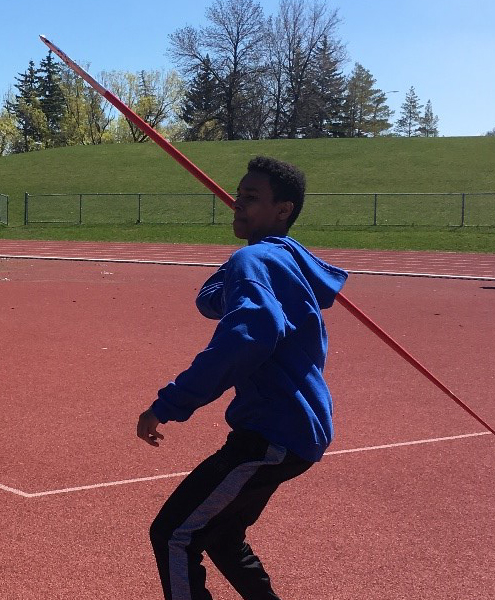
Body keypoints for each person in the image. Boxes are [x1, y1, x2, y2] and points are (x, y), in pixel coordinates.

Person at [137, 156, 348, 600]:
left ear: (283, 209)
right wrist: (238, 265)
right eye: (238, 195)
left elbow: (252, 332)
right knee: (222, 535)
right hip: (296, 430)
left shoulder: (254, 259)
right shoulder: (282, 259)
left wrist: (170, 404)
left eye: (251, 198)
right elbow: (214, 300)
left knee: (173, 534)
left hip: (272, 431)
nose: (237, 204)